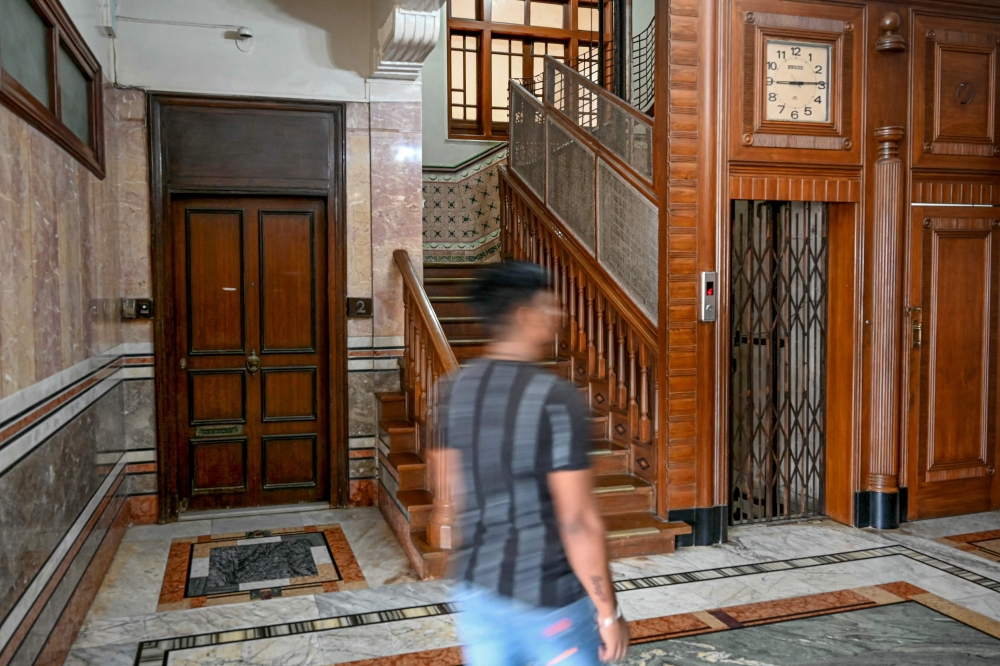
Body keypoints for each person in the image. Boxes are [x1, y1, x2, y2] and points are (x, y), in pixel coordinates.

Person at [439, 261, 630, 665]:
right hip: (549, 600)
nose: (559, 314)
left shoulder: (456, 389)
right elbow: (577, 520)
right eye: (551, 305)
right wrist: (608, 612)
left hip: (477, 590)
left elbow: (454, 493)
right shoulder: (555, 398)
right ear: (525, 316)